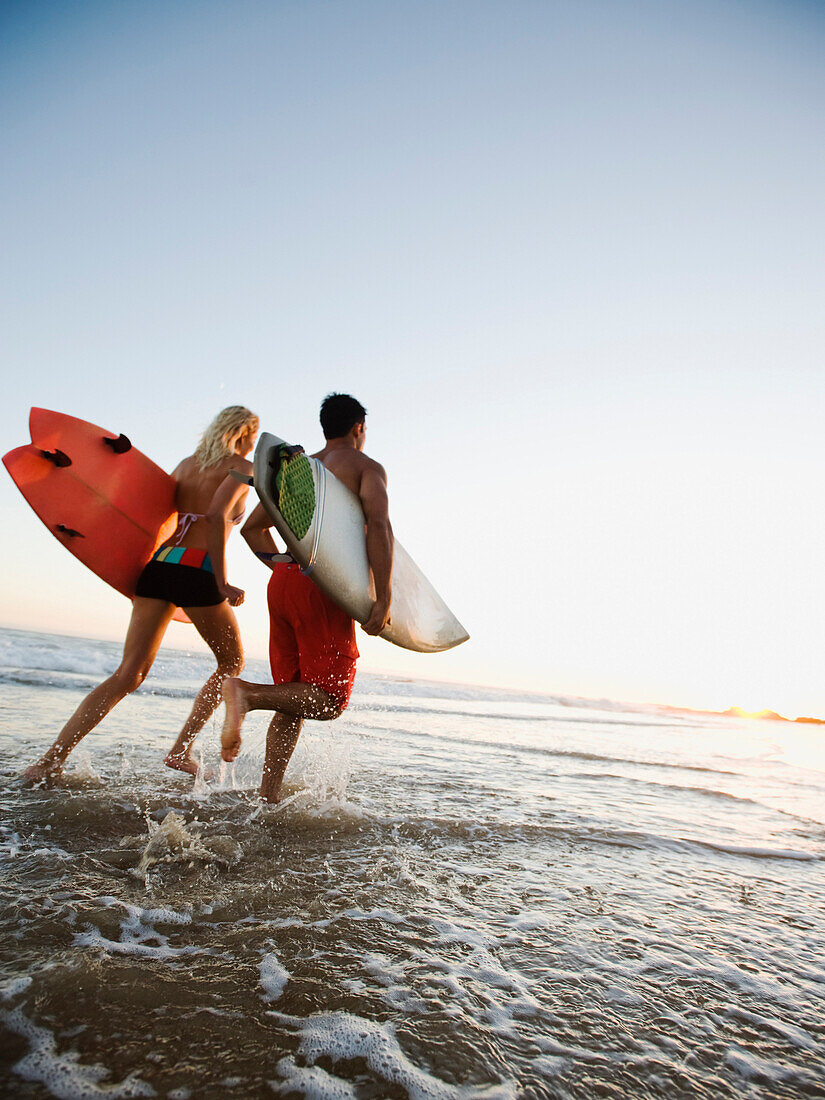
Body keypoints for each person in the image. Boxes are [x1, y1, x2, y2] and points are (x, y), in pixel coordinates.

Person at [23, 405, 259, 784]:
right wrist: (221, 581)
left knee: (127, 674)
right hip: (197, 570)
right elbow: (216, 517)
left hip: (159, 568)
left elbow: (147, 511)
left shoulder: (185, 465)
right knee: (232, 663)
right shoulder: (243, 469)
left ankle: (50, 761)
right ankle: (181, 750)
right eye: (253, 435)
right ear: (244, 433)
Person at [221, 393, 393, 802]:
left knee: (293, 696)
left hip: (284, 582)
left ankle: (269, 796)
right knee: (330, 700)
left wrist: (288, 568)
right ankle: (246, 694)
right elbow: (380, 528)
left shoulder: (298, 470)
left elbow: (252, 530)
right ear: (358, 428)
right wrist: (383, 597)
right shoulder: (366, 468)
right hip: (320, 590)